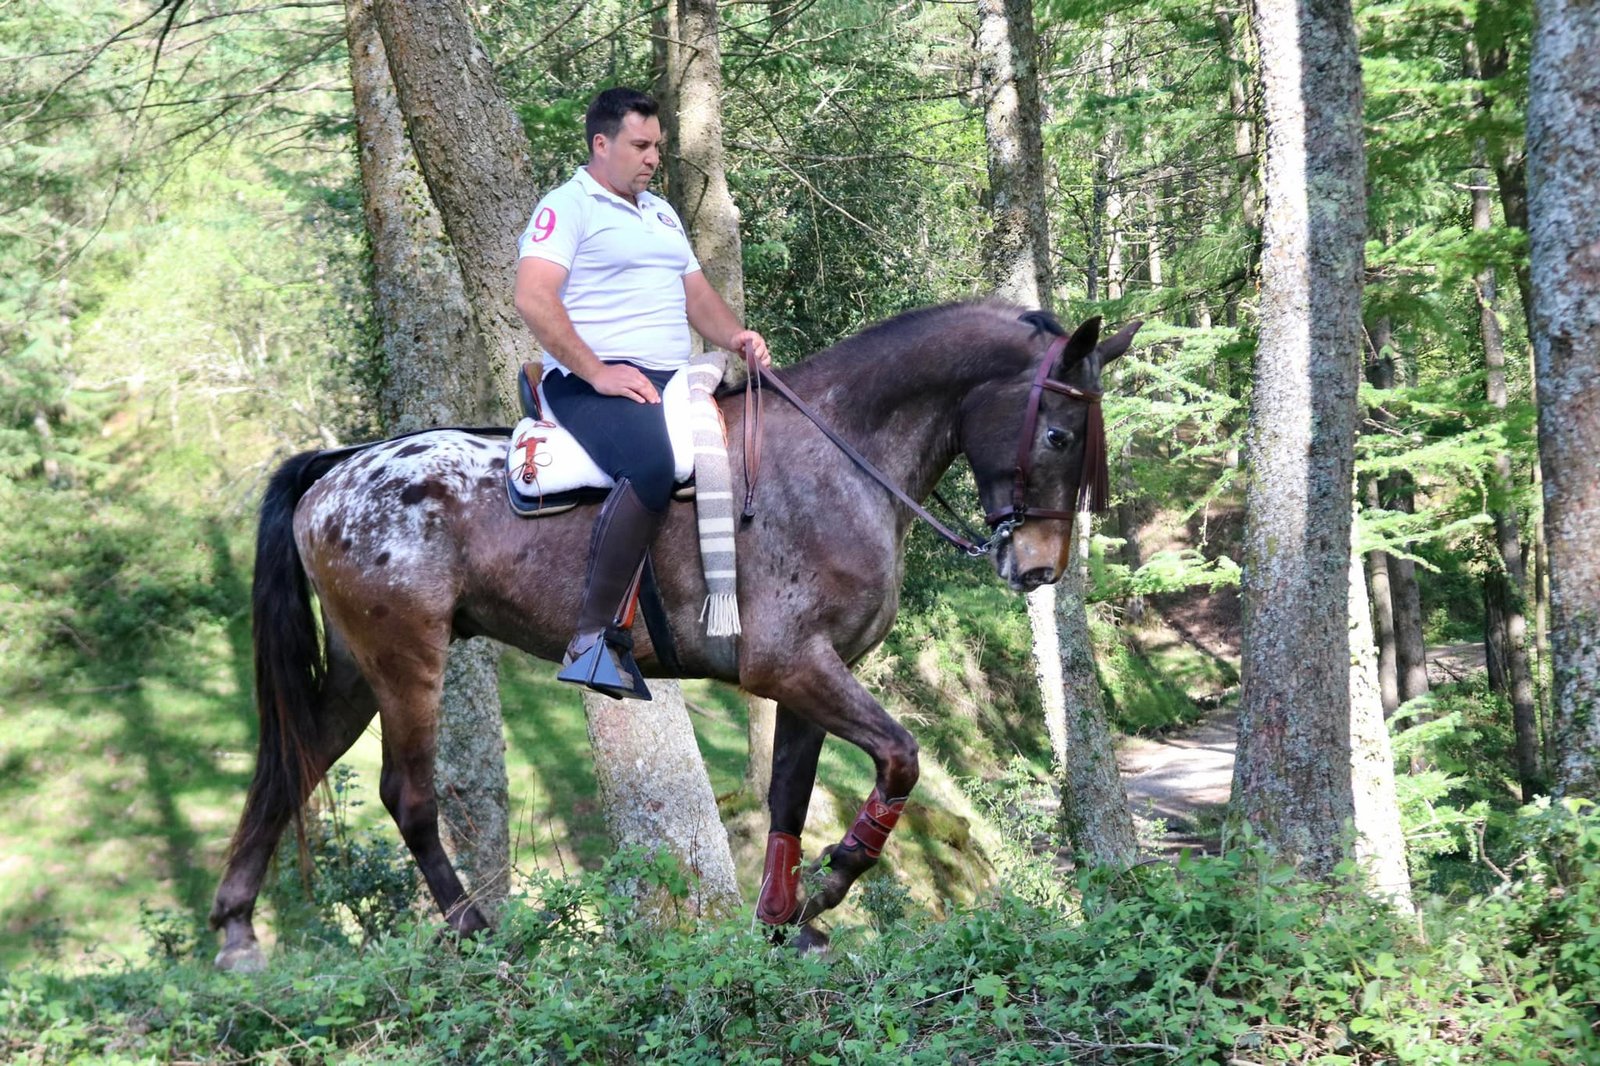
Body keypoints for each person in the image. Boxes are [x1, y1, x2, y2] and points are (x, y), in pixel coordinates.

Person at [514, 87, 769, 701]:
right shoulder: (567, 206)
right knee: (652, 466)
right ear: (601, 144)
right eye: (641, 145)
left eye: (657, 146)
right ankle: (590, 640)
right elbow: (533, 297)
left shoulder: (661, 213)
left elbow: (695, 296)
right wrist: (597, 371)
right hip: (588, 384)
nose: (653, 157)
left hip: (668, 379)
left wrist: (735, 336)